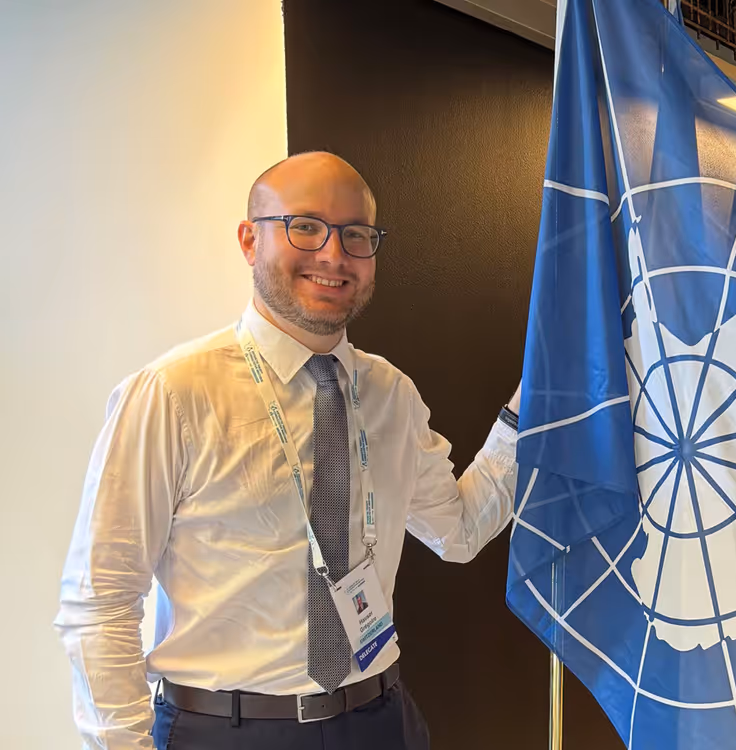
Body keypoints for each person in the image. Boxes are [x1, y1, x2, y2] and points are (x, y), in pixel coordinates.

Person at [55, 153, 522, 750]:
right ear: (251, 240)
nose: (333, 254)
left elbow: (457, 531)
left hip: (381, 720)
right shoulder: (173, 394)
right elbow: (100, 602)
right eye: (305, 226)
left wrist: (526, 410)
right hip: (226, 731)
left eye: (357, 235)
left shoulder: (391, 394)